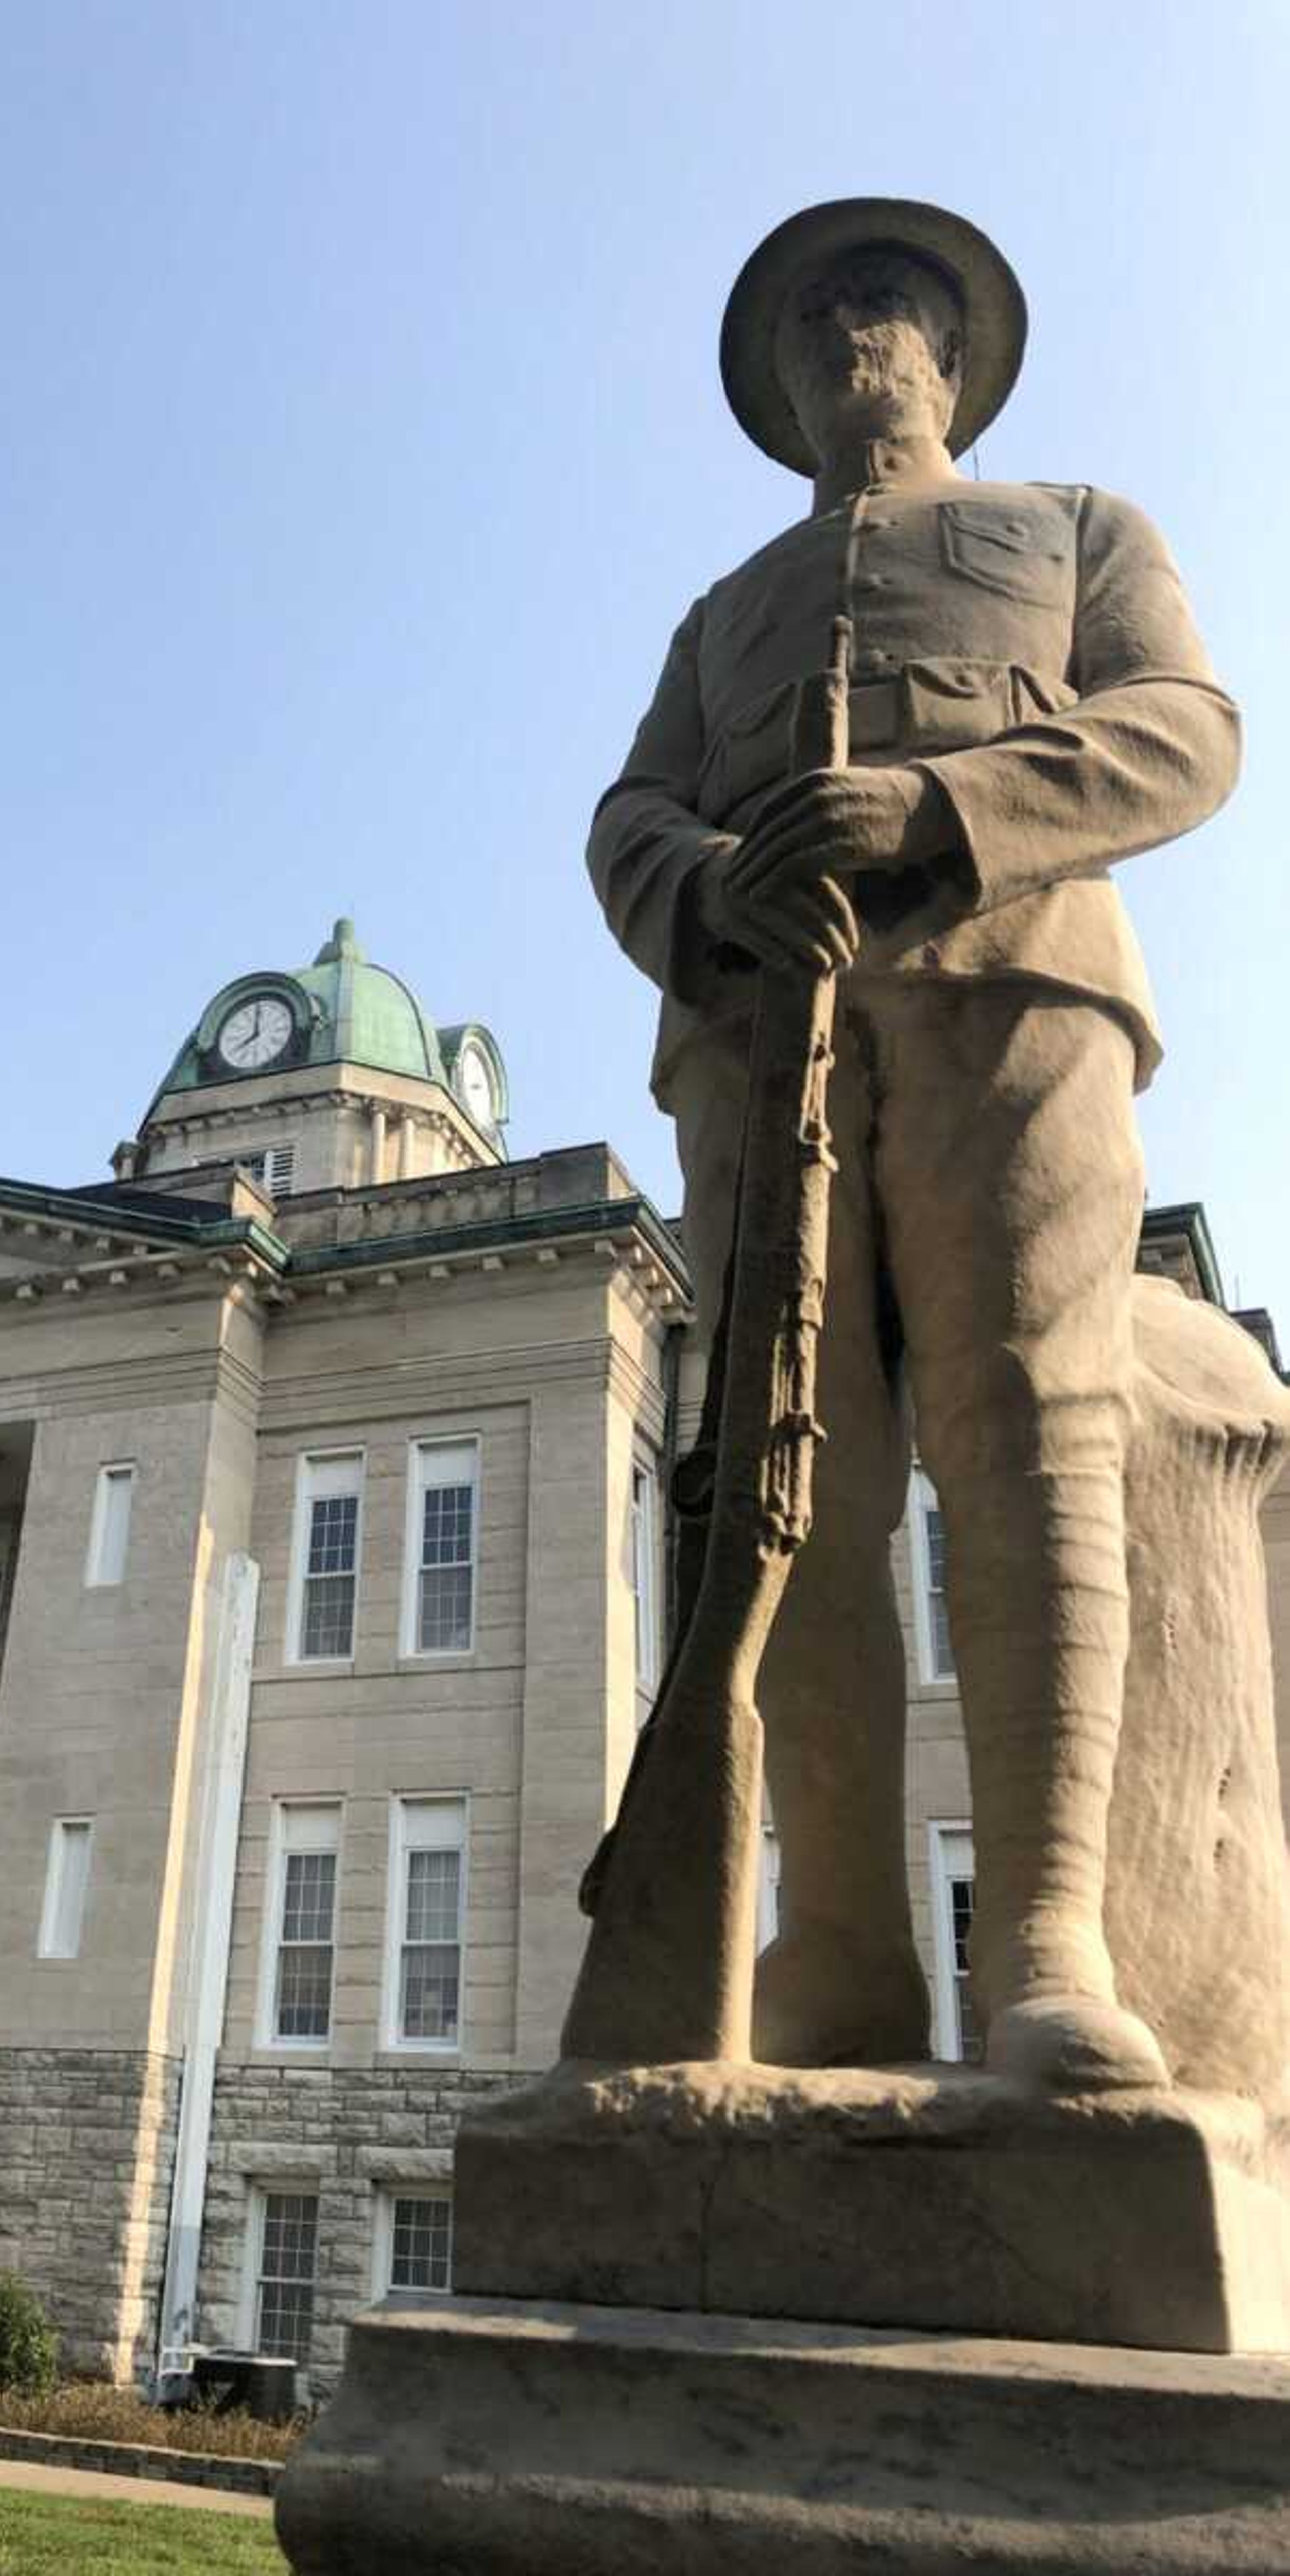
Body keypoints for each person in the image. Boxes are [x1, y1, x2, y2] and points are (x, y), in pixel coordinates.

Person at [587, 198, 1239, 2093]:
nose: (855, 327)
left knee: (1031, 1426)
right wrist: (710, 881)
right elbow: (624, 813)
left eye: (891, 301)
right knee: (796, 1484)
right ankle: (846, 1959)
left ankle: (1046, 1932)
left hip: (1011, 976)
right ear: (785, 388)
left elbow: (1188, 730)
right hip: (754, 1036)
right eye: (821, 314)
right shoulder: (718, 620)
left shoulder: (1077, 531)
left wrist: (939, 804)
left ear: (954, 360)